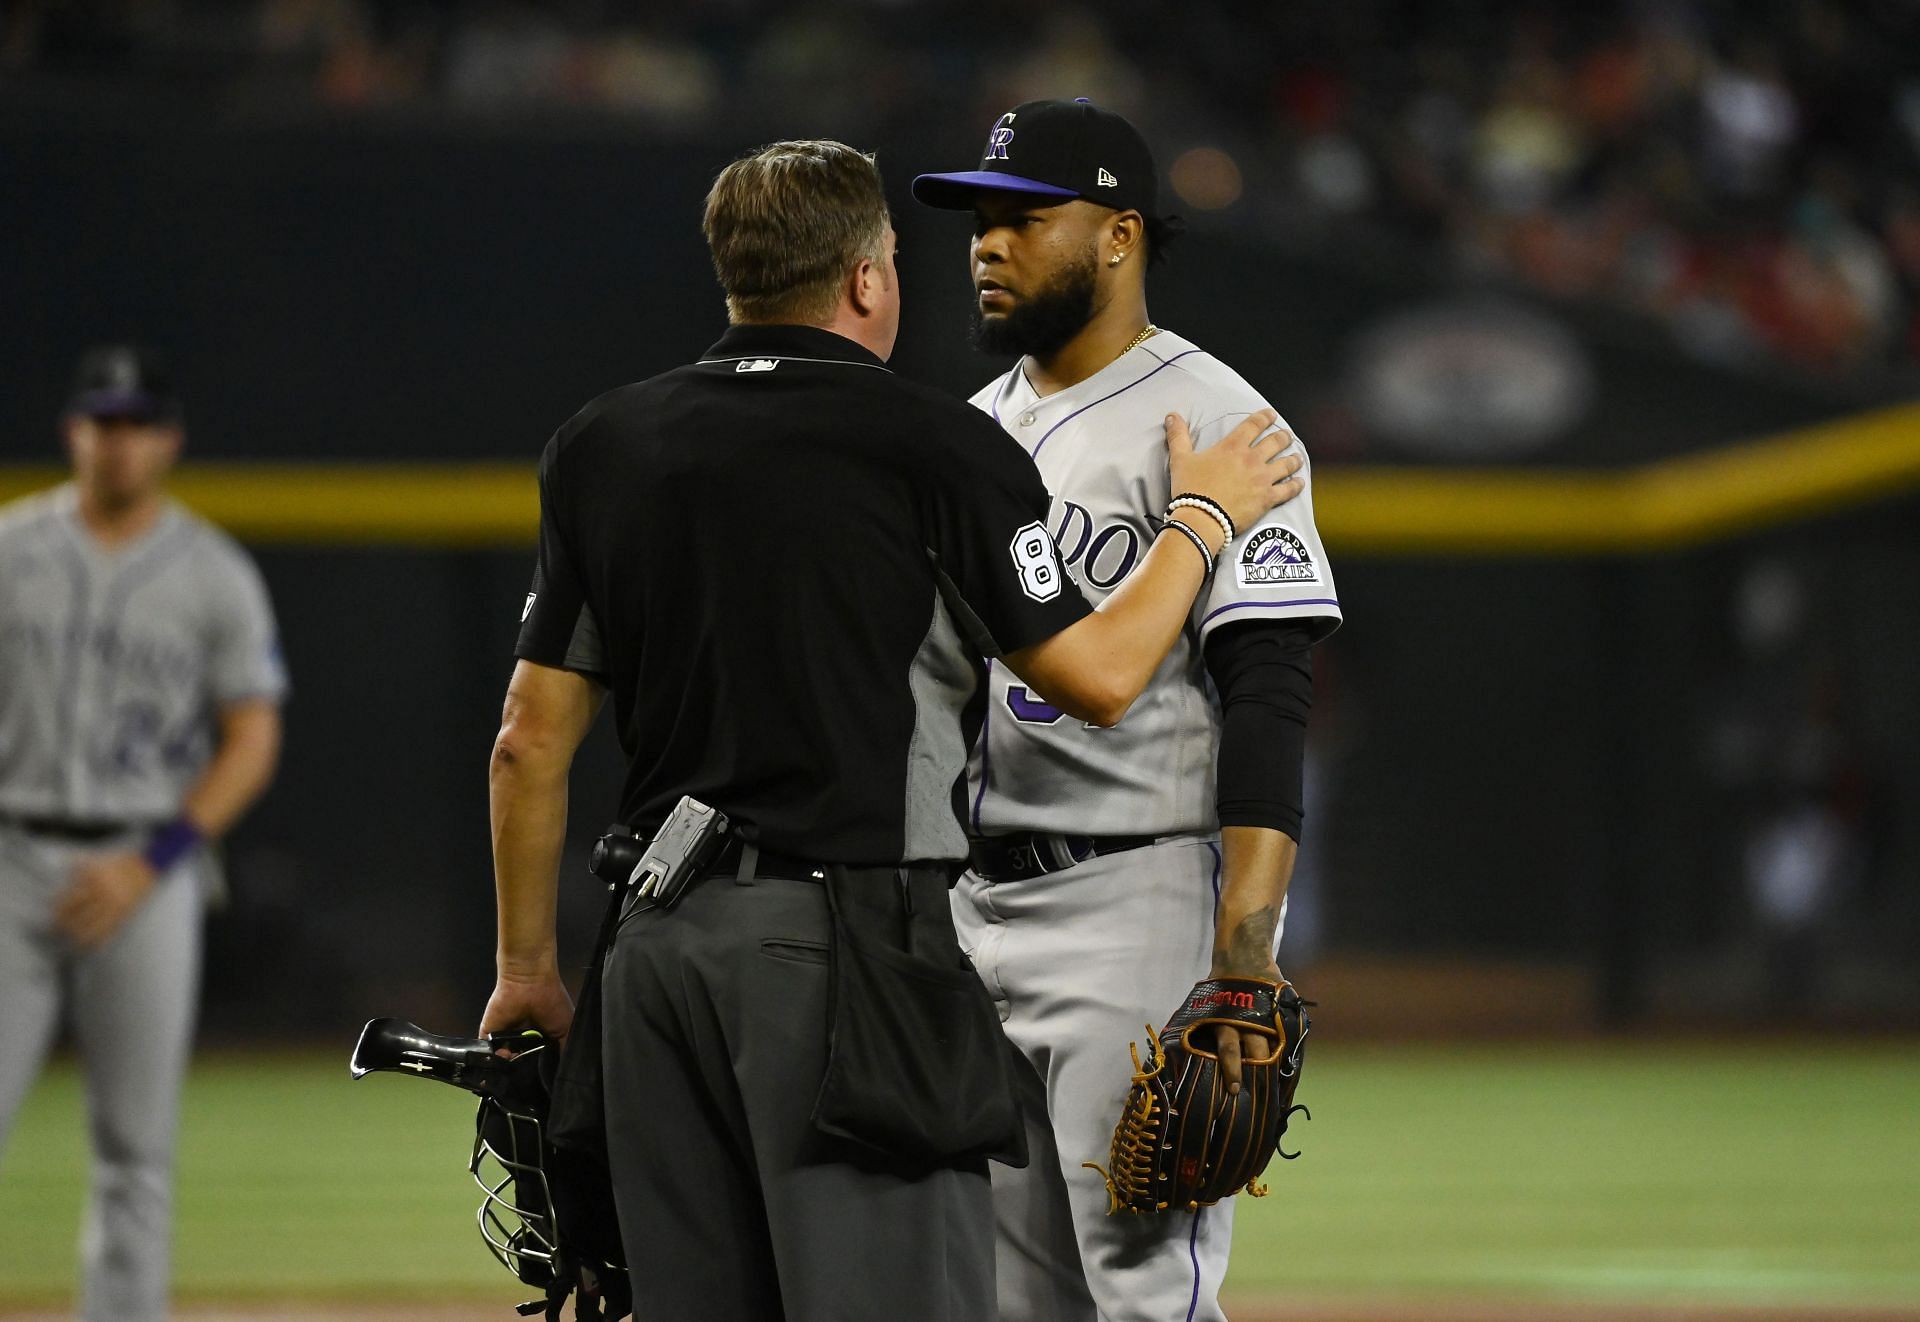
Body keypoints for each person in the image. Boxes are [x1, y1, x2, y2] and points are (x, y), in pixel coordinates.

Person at [476, 138, 1307, 1322]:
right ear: (870, 279)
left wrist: (523, 969)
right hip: (841, 944)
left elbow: (525, 740)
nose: (981, 248)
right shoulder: (939, 442)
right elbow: (1105, 675)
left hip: (648, 952)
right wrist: (1202, 518)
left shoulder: (602, 442)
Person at [912, 98, 1344, 1321]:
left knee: (1146, 1288)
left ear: (1118, 235)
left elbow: (1269, 691)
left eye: (1022, 220)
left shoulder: (1220, 424)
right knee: (1009, 1296)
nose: (987, 245)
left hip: (1131, 899)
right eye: (977, 223)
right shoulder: (972, 430)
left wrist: (1246, 956)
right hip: (968, 899)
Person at [0, 345, 287, 1321]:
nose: (117, 442)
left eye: (135, 423)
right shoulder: (11, 547)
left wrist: (154, 857)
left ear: (166, 438)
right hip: (8, 854)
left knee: (135, 1143)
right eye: (101, 420)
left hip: (149, 863)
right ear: (72, 429)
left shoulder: (213, 571)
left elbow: (252, 734)